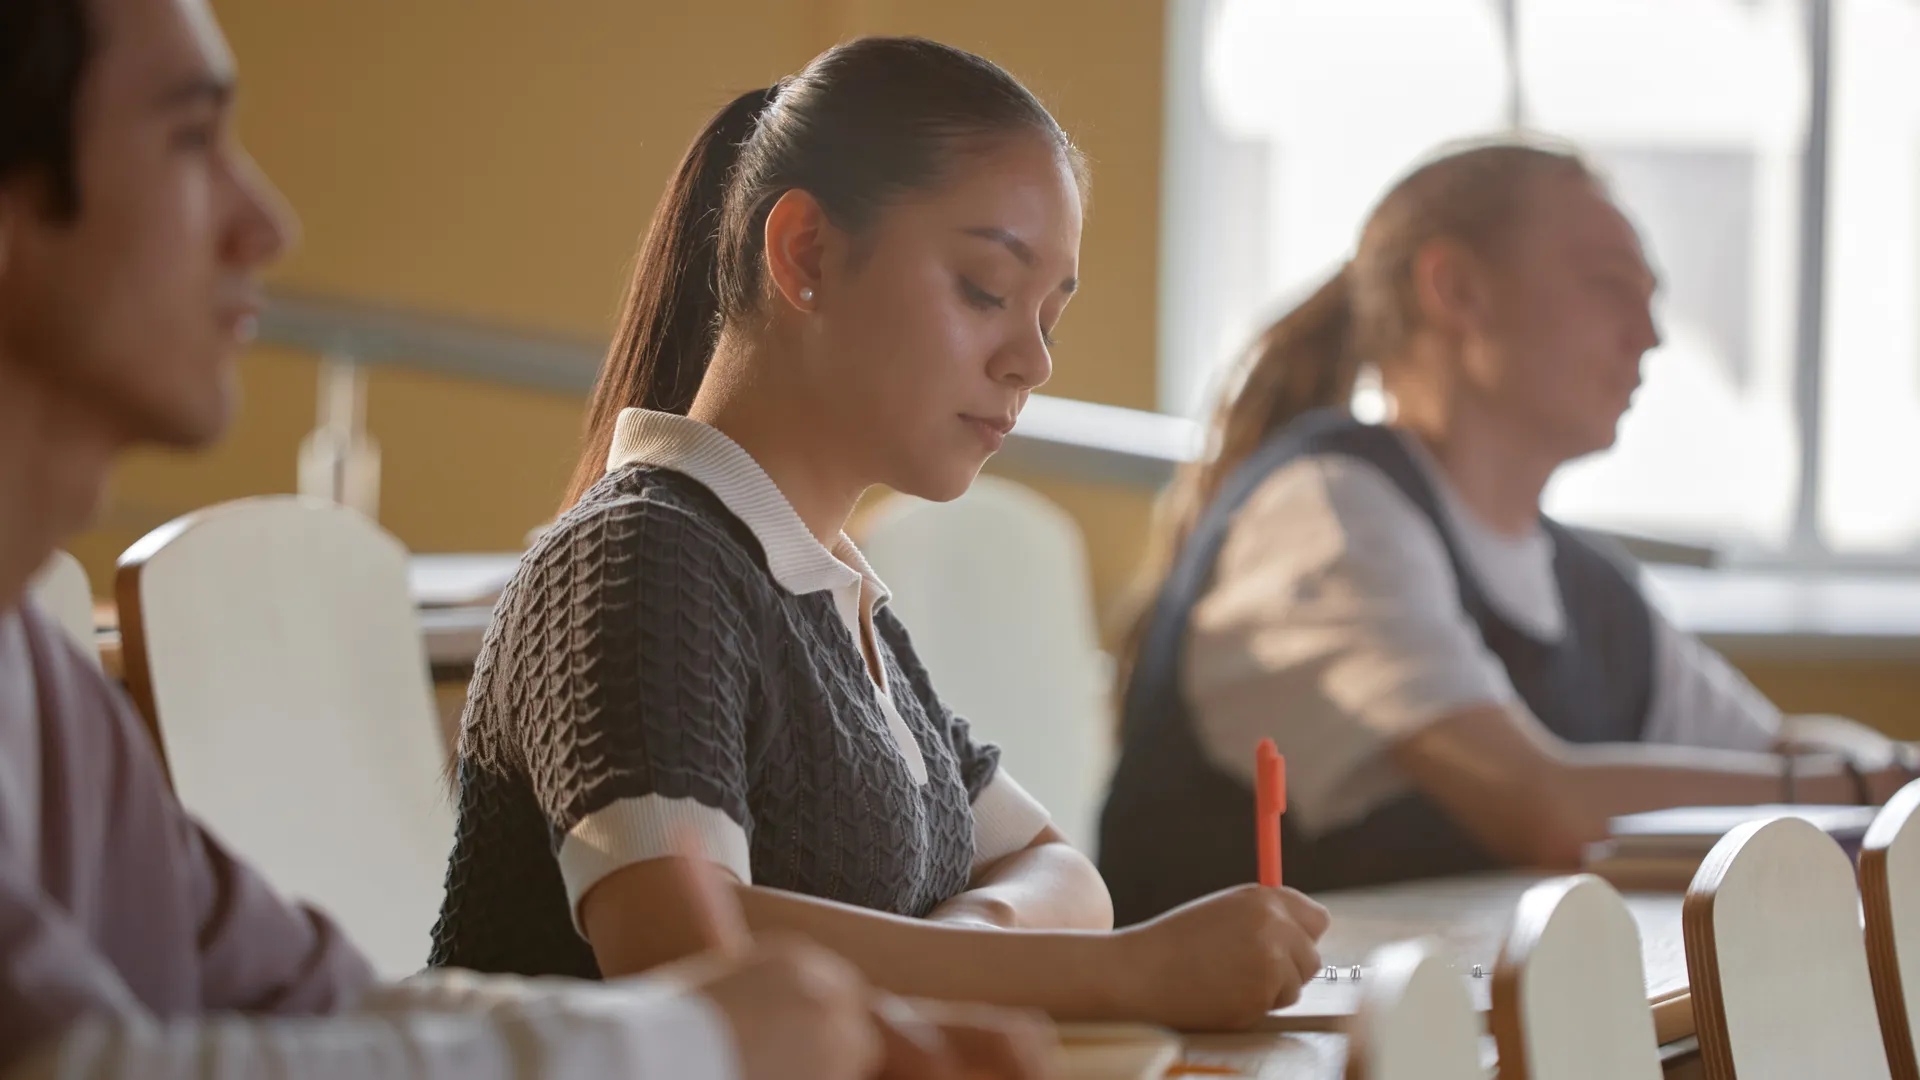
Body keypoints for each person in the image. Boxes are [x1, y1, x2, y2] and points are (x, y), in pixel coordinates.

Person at [0, 1, 1052, 1077]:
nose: (268, 225)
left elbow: (313, 1005)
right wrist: (717, 1029)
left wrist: (868, 987)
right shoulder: (645, 558)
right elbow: (74, 1064)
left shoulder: (40, 680)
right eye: (188, 138)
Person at [429, 35, 1329, 1032]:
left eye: (1049, 317)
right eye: (987, 290)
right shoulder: (642, 557)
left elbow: (1060, 872)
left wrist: (968, 949)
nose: (1030, 361)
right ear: (806, 254)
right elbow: (686, 949)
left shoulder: (832, 598)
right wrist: (1125, 976)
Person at [1098, 139, 1920, 924]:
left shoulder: (1591, 586)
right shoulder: (1327, 512)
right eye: (1608, 286)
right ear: (1456, 289)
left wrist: (1871, 772)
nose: (1651, 335)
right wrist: (1860, 784)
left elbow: (1775, 749)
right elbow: (1545, 809)